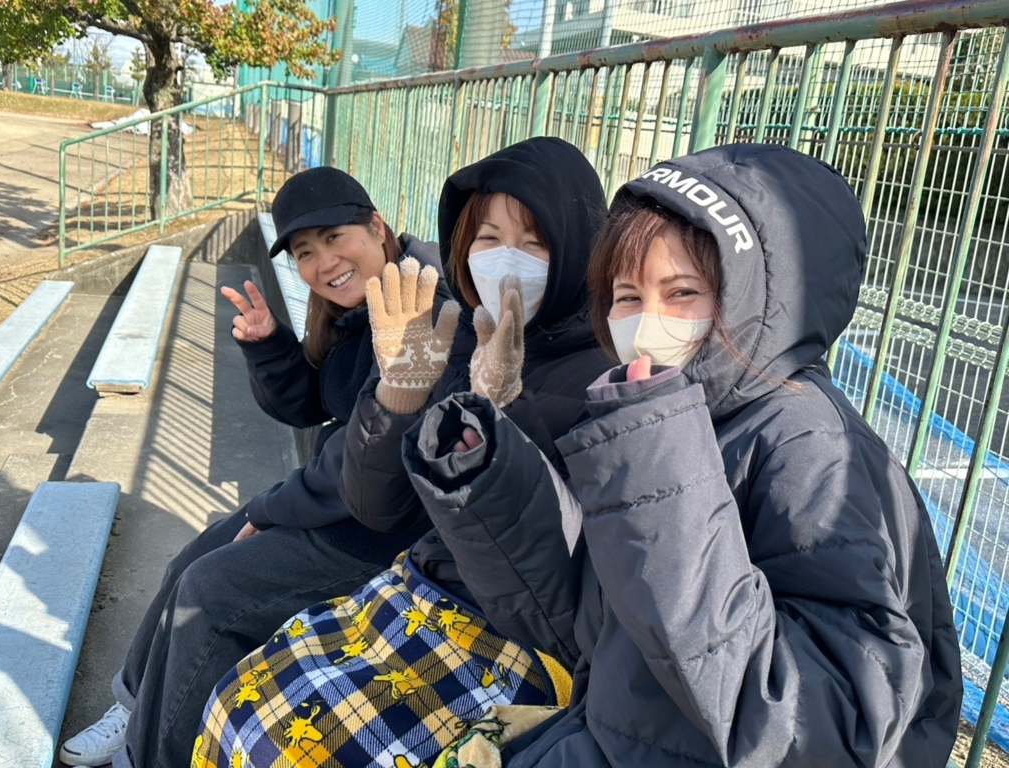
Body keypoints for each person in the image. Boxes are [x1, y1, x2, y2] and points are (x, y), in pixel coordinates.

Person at [402, 144, 964, 767]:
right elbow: (591, 627)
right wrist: (492, 483)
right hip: (618, 730)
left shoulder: (813, 448)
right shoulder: (672, 412)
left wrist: (659, 473)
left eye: (682, 292)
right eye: (627, 296)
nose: (647, 326)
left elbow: (827, 728)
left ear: (758, 300)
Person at [192, 137, 613, 768]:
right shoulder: (456, 329)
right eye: (489, 238)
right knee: (236, 702)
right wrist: (397, 395)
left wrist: (501, 419)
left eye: (534, 243)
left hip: (508, 635)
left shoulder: (607, 373)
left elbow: (561, 569)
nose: (506, 261)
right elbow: (376, 500)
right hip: (420, 584)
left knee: (226, 624)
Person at [60, 167, 443, 768]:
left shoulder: (420, 309)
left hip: (386, 532)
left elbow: (365, 454)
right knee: (191, 559)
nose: (324, 263)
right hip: (342, 505)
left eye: (334, 237)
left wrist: (268, 511)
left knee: (211, 594)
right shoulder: (358, 306)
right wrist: (269, 346)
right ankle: (136, 707)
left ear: (376, 225)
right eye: (305, 252)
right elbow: (315, 406)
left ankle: (150, 753)